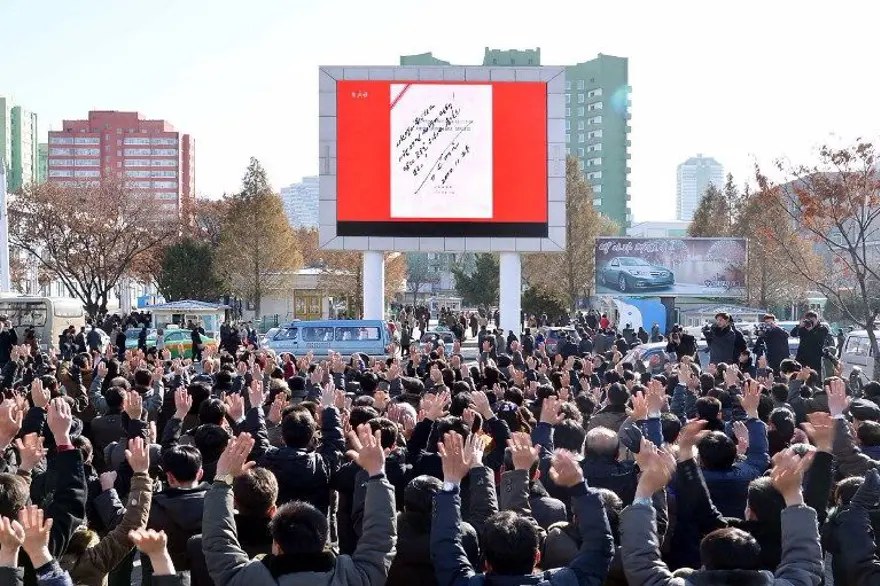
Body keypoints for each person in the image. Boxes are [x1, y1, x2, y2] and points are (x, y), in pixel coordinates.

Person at [201, 429, 396, 586]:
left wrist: (223, 479)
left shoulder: (245, 579)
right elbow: (380, 537)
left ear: (276, 545)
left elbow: (218, 540)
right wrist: (377, 472)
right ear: (324, 544)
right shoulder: (355, 578)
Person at [790, 311, 832, 376]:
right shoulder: (804, 328)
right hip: (802, 358)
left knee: (814, 379)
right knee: (799, 378)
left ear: (817, 319)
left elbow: (818, 340)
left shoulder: (822, 329)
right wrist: (799, 326)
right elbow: (793, 334)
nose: (811, 322)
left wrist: (810, 329)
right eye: (809, 320)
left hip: (815, 359)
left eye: (812, 320)